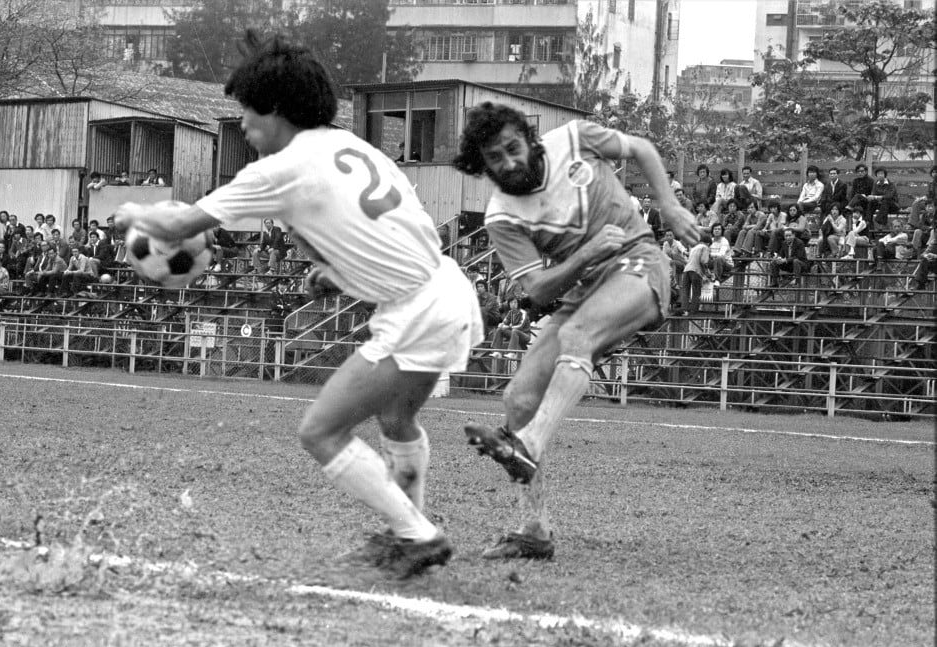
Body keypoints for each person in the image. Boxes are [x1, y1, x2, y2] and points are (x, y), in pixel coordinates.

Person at [115, 34, 480, 578]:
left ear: (277, 111)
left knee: (321, 432)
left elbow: (178, 224)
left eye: (245, 111)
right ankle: (412, 527)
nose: (240, 124)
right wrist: (338, 271)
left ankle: (417, 534)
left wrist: (129, 213)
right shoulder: (350, 146)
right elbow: (392, 227)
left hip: (417, 310)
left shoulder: (281, 168)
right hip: (446, 288)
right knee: (396, 418)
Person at [451, 101, 699, 559]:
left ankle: (528, 443)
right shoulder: (502, 216)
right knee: (518, 399)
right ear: (480, 164)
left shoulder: (574, 139)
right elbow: (539, 290)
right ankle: (534, 529)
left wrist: (668, 204)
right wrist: (584, 257)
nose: (509, 162)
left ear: (528, 137)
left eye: (513, 148)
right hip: (582, 287)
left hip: (640, 262)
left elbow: (641, 148)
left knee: (576, 337)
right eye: (495, 158)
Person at [680, 230, 711, 315]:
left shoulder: (694, 248)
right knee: (696, 291)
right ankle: (694, 311)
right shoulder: (705, 247)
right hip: (696, 271)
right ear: (708, 243)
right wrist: (706, 273)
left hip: (686, 270)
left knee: (685, 291)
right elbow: (703, 261)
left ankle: (685, 310)